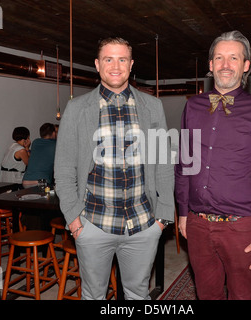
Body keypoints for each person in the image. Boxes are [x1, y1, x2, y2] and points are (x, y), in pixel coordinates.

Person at [54, 37, 174, 300]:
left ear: (131, 65)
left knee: (137, 294)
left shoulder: (152, 107)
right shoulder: (76, 109)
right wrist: (74, 220)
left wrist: (163, 217)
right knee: (94, 295)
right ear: (98, 65)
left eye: (122, 59)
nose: (115, 66)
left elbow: (164, 162)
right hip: (93, 224)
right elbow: (63, 169)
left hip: (143, 224)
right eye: (108, 59)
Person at [175, 30, 251, 300]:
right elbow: (184, 165)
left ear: (246, 66)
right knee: (207, 294)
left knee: (241, 295)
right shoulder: (192, 107)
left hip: (242, 228)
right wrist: (182, 212)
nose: (226, 65)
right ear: (210, 65)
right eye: (219, 58)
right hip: (198, 225)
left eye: (233, 58)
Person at [22, 123, 56, 188]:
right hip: (41, 182)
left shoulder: (35, 142)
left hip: (26, 181)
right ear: (53, 133)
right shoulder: (55, 145)